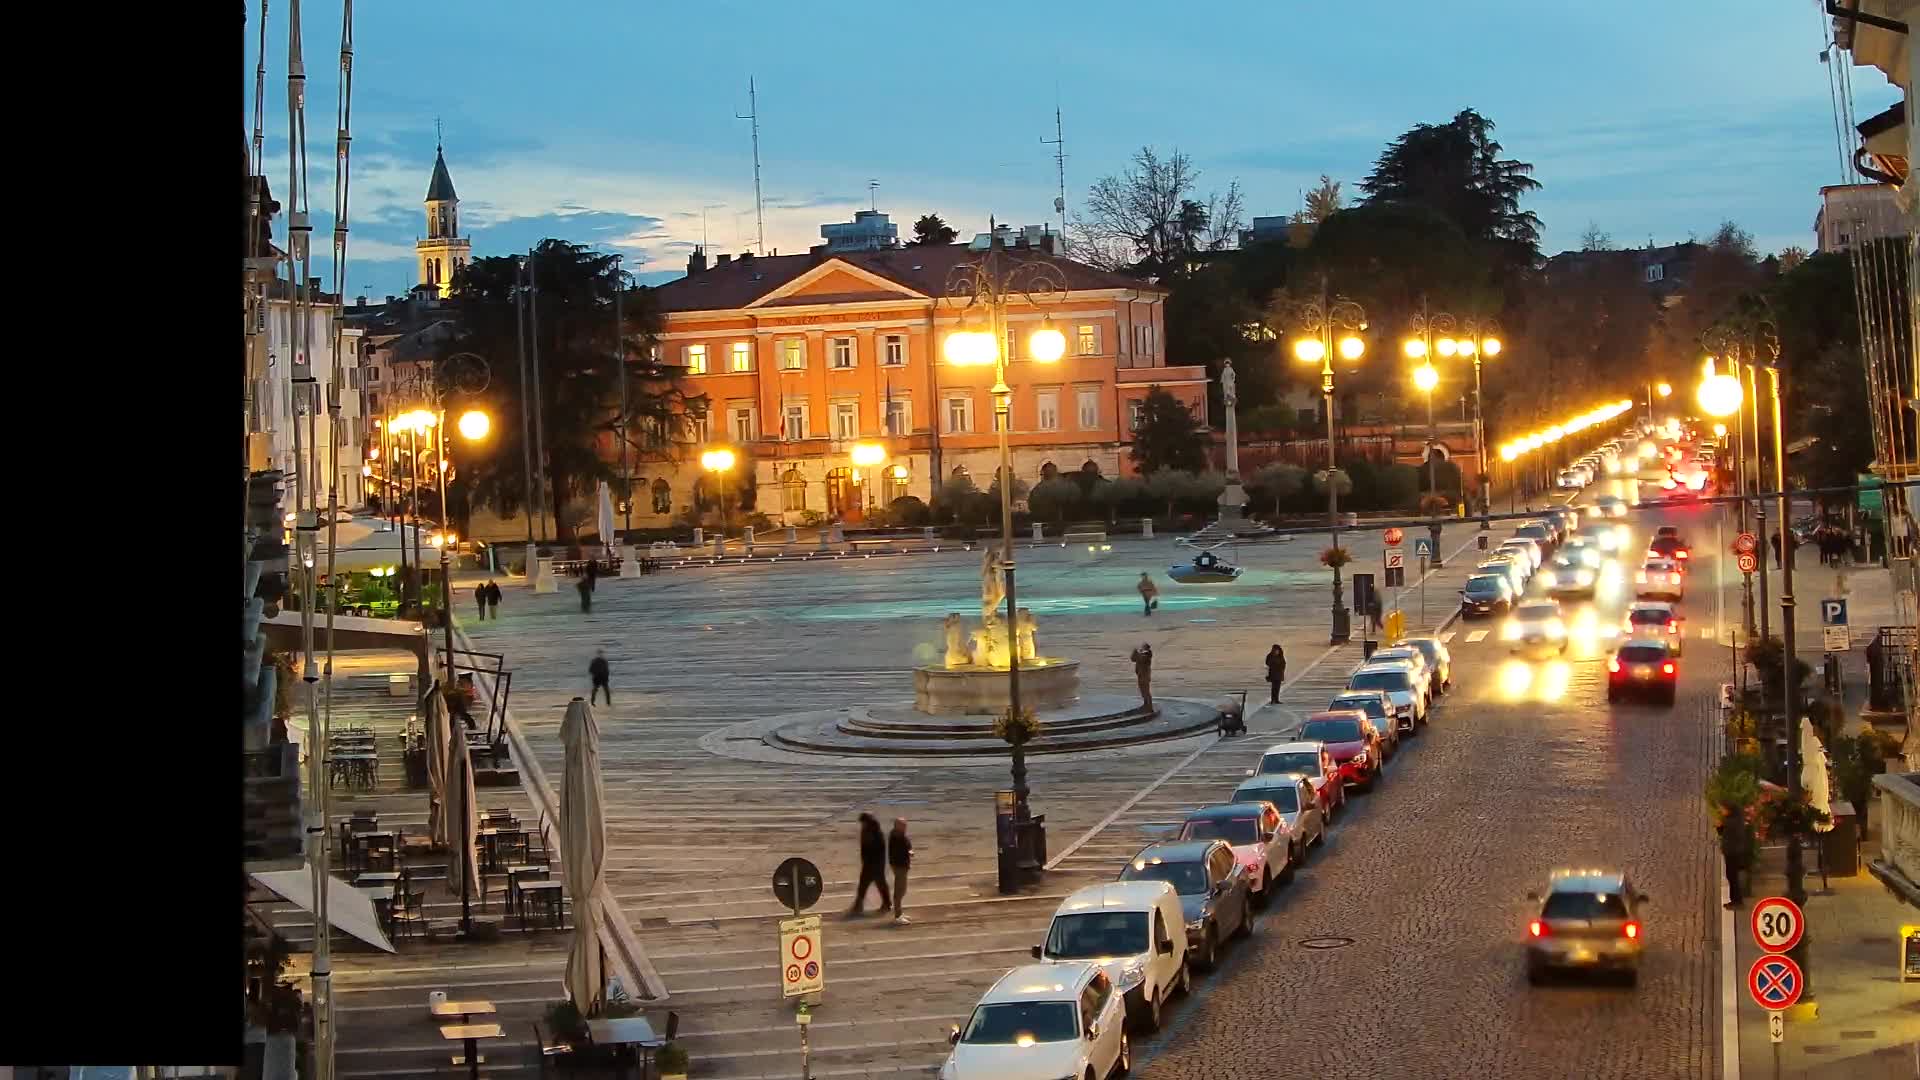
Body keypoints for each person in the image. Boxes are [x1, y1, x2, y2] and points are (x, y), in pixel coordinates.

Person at [849, 813, 891, 916]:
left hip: (875, 865)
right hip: (869, 864)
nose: (862, 825)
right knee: (865, 886)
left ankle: (886, 904)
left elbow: (879, 852)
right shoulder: (866, 832)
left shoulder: (876, 834)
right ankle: (859, 905)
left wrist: (875, 865)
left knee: (878, 885)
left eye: (863, 823)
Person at [1717, 805, 1753, 909]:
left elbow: (1730, 835)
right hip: (1731, 852)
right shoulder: (1733, 820)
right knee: (1731, 876)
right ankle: (1734, 900)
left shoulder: (1732, 822)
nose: (1721, 810)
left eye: (1723, 808)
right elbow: (1723, 833)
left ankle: (1737, 901)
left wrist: (1721, 825)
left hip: (1733, 853)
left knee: (1733, 877)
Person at [887, 817, 913, 925]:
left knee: (902, 890)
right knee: (899, 891)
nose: (905, 827)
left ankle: (900, 913)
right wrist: (909, 853)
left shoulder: (898, 835)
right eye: (903, 825)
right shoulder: (897, 837)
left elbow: (907, 844)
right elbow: (902, 850)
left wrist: (909, 850)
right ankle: (898, 916)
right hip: (899, 866)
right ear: (897, 826)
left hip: (900, 865)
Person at [1131, 643, 1154, 712]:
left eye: (1142, 647)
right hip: (1141, 675)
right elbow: (1133, 659)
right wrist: (1134, 652)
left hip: (1145, 676)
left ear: (1146, 648)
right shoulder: (1142, 654)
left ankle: (1149, 707)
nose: (1141, 648)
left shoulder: (1147, 655)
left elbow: (1140, 658)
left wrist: (1136, 652)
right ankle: (1145, 705)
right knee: (1143, 691)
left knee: (1146, 692)